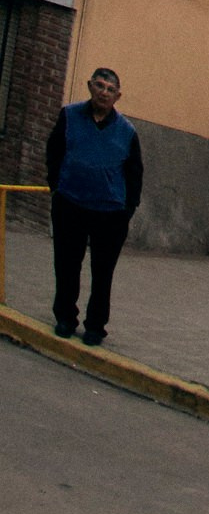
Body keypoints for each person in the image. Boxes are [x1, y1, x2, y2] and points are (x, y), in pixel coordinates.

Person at [45, 66, 143, 346]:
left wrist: (128, 209)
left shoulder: (127, 131)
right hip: (70, 204)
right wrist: (56, 187)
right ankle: (65, 317)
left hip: (110, 214)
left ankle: (95, 326)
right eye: (100, 86)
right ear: (90, 86)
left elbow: (135, 173)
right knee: (66, 264)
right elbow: (54, 152)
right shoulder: (69, 116)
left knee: (102, 272)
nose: (104, 93)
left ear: (118, 96)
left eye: (111, 90)